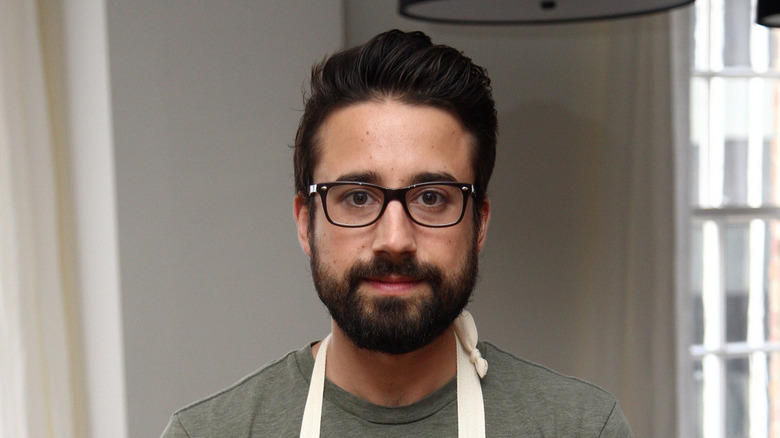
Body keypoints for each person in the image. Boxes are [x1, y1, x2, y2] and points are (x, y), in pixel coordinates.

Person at [161, 29, 633, 437]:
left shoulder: (582, 427)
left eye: (431, 197)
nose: (394, 239)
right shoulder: (207, 433)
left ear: (479, 223)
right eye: (357, 197)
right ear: (306, 222)